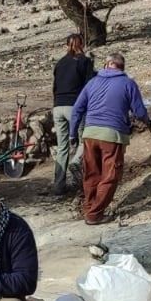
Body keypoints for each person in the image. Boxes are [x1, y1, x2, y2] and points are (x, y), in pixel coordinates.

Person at [68, 52, 149, 226]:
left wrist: (73, 134)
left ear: (106, 65)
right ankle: (94, 214)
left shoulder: (92, 83)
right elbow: (140, 112)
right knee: (110, 176)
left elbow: (76, 110)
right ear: (122, 67)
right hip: (112, 136)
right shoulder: (128, 83)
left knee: (91, 174)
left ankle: (89, 207)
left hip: (90, 135)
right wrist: (146, 120)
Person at [51, 32, 95, 195]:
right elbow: (89, 85)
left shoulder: (60, 63)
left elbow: (55, 86)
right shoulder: (85, 61)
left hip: (57, 107)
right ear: (82, 45)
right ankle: (76, 163)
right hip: (74, 106)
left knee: (62, 147)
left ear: (66, 45)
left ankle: (58, 185)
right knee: (85, 139)